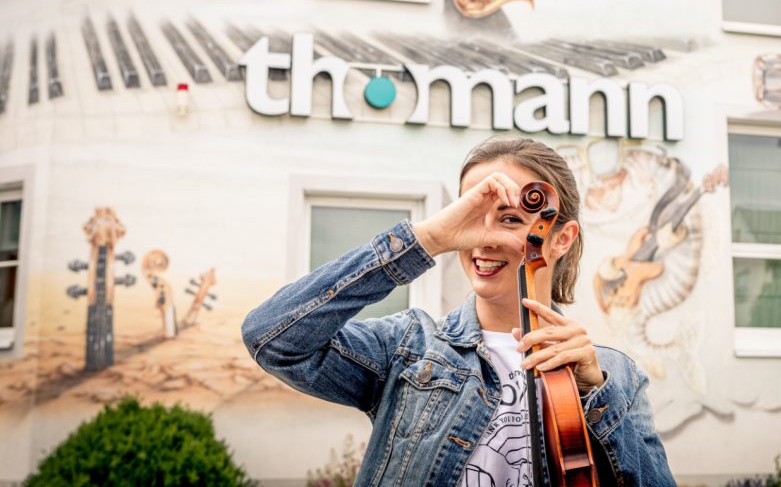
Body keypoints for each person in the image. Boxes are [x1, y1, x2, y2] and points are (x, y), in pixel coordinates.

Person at [241, 138, 675, 486]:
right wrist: (428, 239)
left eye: (509, 219)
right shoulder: (409, 348)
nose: (483, 240)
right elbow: (271, 337)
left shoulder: (615, 376)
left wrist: (597, 392)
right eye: (472, 216)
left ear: (561, 238)